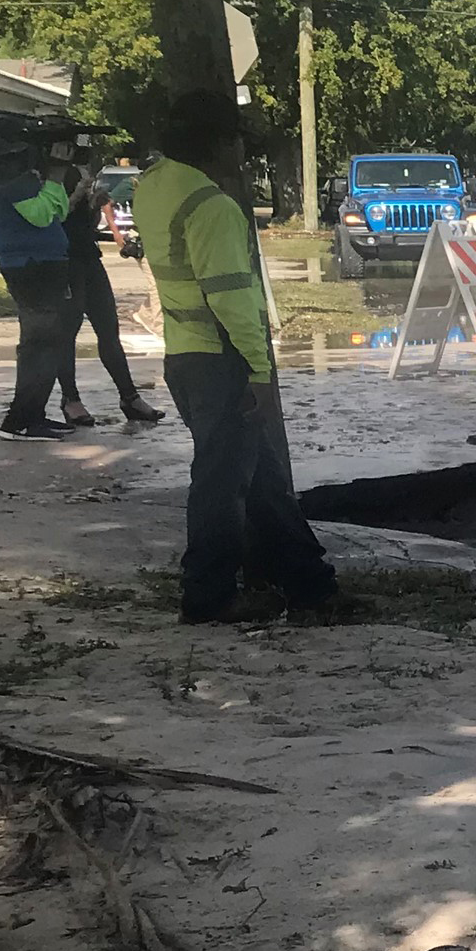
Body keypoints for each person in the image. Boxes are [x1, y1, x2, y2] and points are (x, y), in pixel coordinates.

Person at [137, 92, 336, 623]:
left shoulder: (154, 186)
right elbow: (231, 298)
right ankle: (208, 596)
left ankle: (311, 585)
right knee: (221, 488)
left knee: (264, 480)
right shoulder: (212, 207)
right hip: (221, 360)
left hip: (184, 357)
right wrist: (259, 369)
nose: (242, 154)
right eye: (239, 142)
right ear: (222, 143)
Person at [0, 140, 83, 443]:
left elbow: (58, 212)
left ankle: (32, 415)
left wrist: (54, 181)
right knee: (40, 342)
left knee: (48, 342)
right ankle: (20, 421)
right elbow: (41, 216)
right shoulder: (10, 181)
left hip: (41, 264)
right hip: (30, 266)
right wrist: (54, 177)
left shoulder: (18, 179)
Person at [54, 154, 163, 427]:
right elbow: (53, 216)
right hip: (64, 260)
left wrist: (97, 209)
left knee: (108, 328)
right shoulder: (51, 176)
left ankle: (130, 397)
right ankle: (71, 399)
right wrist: (77, 196)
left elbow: (93, 215)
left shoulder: (85, 169)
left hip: (89, 258)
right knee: (67, 332)